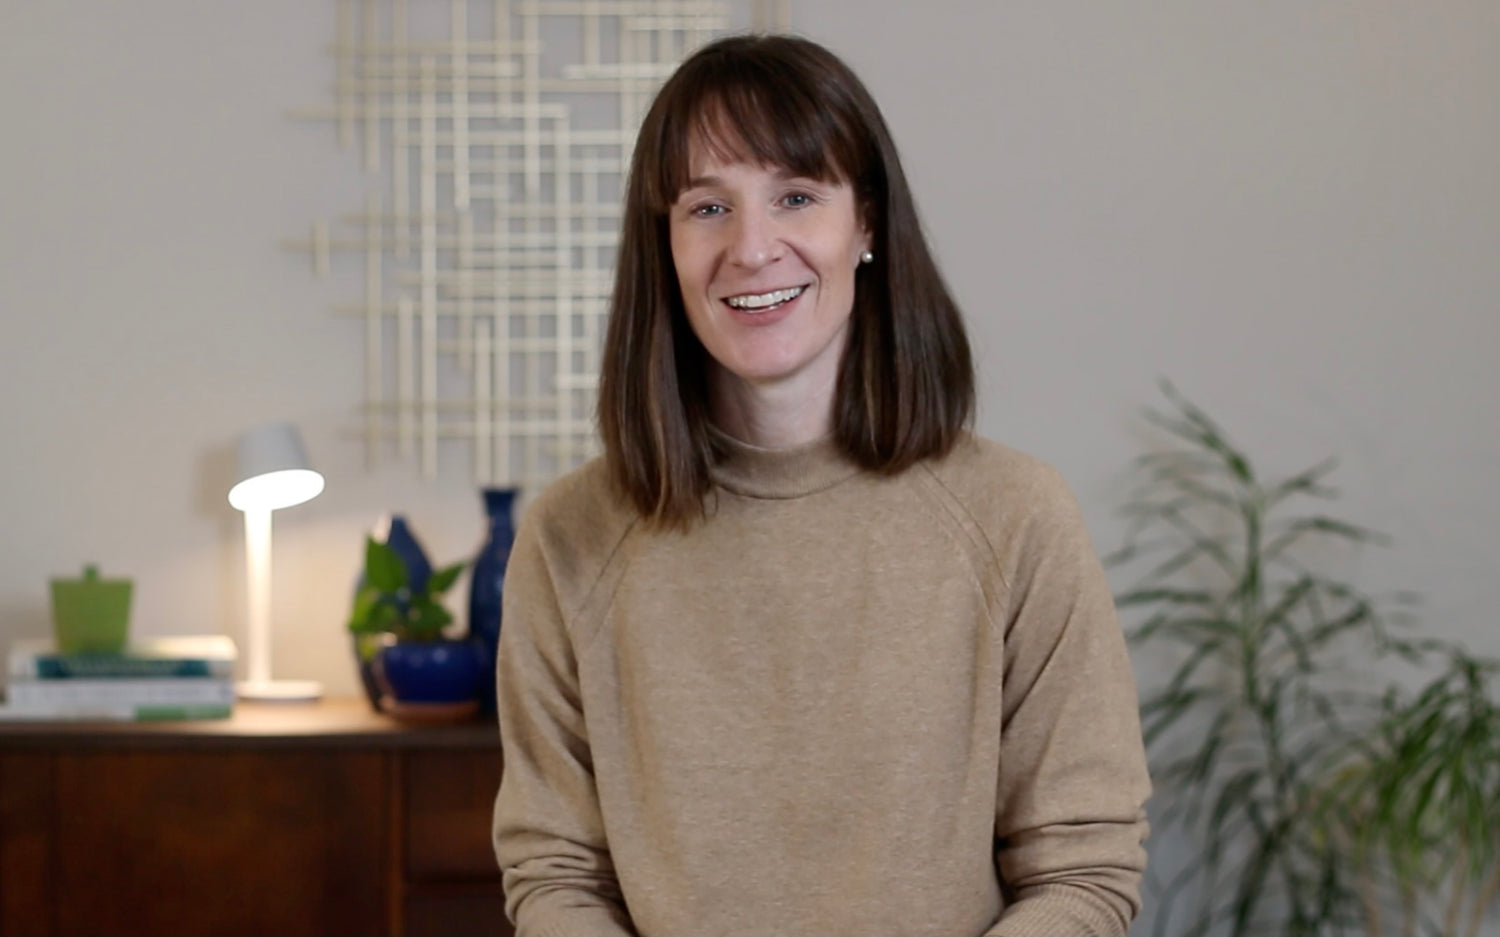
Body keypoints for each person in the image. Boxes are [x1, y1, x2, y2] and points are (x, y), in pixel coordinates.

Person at [492, 33, 1151, 937]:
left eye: (796, 196)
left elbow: (1085, 871)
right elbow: (555, 873)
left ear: (866, 223)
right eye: (707, 207)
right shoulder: (571, 535)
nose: (752, 247)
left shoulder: (1017, 516)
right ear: (666, 243)